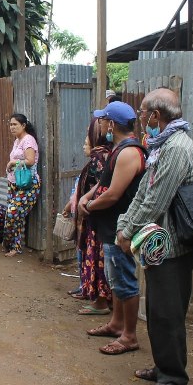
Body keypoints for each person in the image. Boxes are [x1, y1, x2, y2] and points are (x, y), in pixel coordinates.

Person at [115, 88, 193, 385]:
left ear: (155, 115)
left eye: (143, 112)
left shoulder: (176, 147)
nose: (140, 117)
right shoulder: (162, 145)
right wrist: (125, 224)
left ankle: (173, 378)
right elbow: (144, 192)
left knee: (167, 312)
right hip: (159, 243)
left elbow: (155, 201)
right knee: (156, 309)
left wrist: (127, 230)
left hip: (174, 245)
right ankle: (163, 365)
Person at [79, 102, 146, 355]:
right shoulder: (117, 150)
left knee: (124, 280)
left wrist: (89, 206)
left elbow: (114, 194)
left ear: (112, 124)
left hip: (122, 227)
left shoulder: (129, 153)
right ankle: (117, 324)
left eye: (103, 120)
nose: (100, 124)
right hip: (110, 226)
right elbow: (104, 183)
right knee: (116, 278)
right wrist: (87, 196)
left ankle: (129, 336)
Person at [64, 119, 112, 313]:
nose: (84, 143)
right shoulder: (105, 155)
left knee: (97, 257)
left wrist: (87, 204)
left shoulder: (99, 159)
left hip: (96, 217)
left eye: (87, 138)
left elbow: (101, 188)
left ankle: (101, 301)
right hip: (97, 216)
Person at [3, 114, 41, 257]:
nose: (12, 127)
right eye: (10, 124)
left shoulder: (28, 140)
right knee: (16, 216)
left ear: (23, 125)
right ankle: (15, 247)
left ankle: (11, 244)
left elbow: (30, 161)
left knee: (12, 212)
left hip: (28, 184)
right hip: (14, 182)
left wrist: (13, 162)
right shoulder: (17, 141)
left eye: (15, 124)